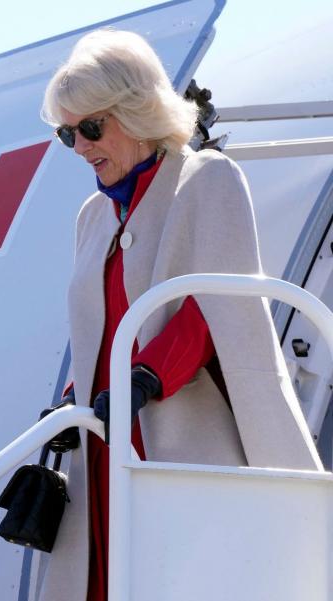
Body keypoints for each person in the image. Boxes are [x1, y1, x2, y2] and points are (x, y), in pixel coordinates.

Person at [37, 29, 321, 601]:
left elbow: (218, 303)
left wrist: (145, 376)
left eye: (92, 127)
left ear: (137, 111)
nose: (81, 146)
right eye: (67, 134)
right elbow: (99, 327)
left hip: (177, 437)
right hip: (105, 446)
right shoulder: (92, 217)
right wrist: (74, 397)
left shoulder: (207, 178)